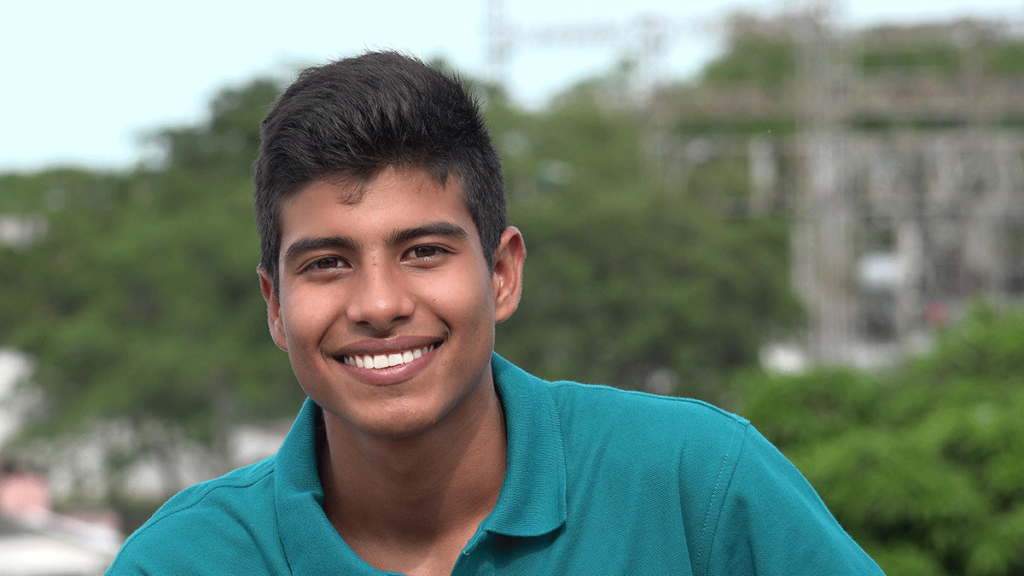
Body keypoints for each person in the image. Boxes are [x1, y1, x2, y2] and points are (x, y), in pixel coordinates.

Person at [106, 51, 885, 575]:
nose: (378, 305)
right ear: (275, 305)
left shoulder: (697, 486)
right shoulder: (184, 559)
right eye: (328, 264)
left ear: (503, 272)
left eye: (423, 252)